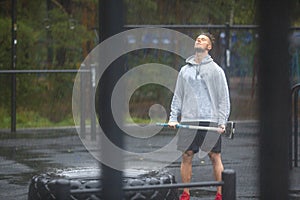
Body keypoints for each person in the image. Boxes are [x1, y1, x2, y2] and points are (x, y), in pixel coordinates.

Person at [168, 32, 230, 200]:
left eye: (203, 39)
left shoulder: (216, 71)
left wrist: (222, 121)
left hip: (210, 120)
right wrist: (173, 117)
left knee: (214, 156)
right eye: (198, 38)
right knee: (187, 155)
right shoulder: (184, 70)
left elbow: (223, 98)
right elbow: (178, 96)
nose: (199, 40)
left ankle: (220, 194)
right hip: (189, 119)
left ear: (209, 47)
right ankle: (186, 194)